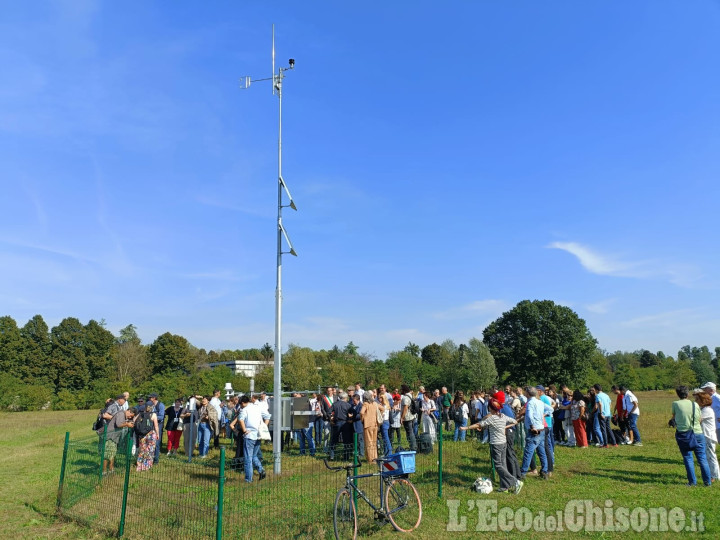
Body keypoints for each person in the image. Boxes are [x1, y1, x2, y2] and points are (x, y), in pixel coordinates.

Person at [462, 398, 523, 494]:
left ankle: (515, 482)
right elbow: (514, 421)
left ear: (490, 408)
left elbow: (479, 424)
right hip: (503, 443)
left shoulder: (492, 418)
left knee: (498, 466)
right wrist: (504, 427)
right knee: (503, 465)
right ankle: (504, 486)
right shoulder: (503, 416)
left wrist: (466, 428)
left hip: (496, 444)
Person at [671, 386, 711, 487]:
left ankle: (692, 482)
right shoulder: (695, 404)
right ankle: (707, 482)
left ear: (678, 394)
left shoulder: (675, 404)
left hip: (684, 434)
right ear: (688, 394)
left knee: (688, 458)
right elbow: (700, 419)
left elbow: (673, 417)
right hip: (697, 432)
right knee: (702, 458)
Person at [519, 387, 554, 480]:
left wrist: (532, 426)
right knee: (541, 451)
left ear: (527, 394)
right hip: (542, 429)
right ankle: (544, 471)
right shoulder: (540, 402)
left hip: (534, 430)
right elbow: (551, 409)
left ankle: (523, 473)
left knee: (528, 451)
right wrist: (543, 415)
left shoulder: (530, 403)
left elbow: (530, 416)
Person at [237, 395, 270, 482]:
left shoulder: (244, 410)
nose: (240, 406)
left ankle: (248, 479)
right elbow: (267, 416)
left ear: (243, 403)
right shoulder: (257, 407)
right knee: (254, 455)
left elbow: (240, 419)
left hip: (249, 436)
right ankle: (261, 470)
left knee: (248, 458)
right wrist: (263, 427)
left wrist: (244, 430)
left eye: (240, 404)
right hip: (259, 435)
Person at [98, 407, 135, 476]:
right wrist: (127, 424)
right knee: (107, 455)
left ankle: (111, 469)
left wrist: (127, 422)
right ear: (129, 411)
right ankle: (104, 472)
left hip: (114, 438)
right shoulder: (121, 414)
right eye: (130, 415)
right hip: (110, 437)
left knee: (112, 454)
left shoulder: (123, 415)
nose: (129, 417)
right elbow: (118, 424)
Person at [694, 389, 719, 482]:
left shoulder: (707, 410)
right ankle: (712, 475)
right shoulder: (703, 409)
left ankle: (715, 475)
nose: (696, 401)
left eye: (697, 400)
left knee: (711, 456)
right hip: (706, 435)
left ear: (703, 400)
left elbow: (698, 420)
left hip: (708, 436)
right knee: (708, 456)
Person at [135, 403, 160, 472]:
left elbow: (134, 421)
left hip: (142, 435)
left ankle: (139, 466)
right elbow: (156, 426)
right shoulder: (153, 415)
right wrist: (157, 434)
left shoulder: (140, 414)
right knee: (150, 450)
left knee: (142, 450)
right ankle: (146, 466)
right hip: (151, 434)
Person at [330, 391, 353, 460]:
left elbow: (329, 412)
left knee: (334, 440)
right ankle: (346, 456)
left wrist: (331, 418)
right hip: (345, 423)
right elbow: (352, 413)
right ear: (345, 398)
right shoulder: (348, 405)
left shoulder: (334, 404)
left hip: (337, 422)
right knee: (346, 440)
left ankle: (332, 455)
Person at [360, 390, 380, 463]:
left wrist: (362, 419)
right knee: (374, 442)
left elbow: (361, 412)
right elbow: (383, 409)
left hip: (367, 425)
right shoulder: (375, 403)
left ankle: (371, 460)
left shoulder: (365, 404)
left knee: (369, 443)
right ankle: (375, 457)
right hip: (375, 424)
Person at [147, 393, 165, 464]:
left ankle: (156, 459)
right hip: (149, 424)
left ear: (154, 398)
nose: (149, 399)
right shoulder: (149, 405)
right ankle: (149, 458)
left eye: (150, 397)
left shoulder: (161, 405)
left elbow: (161, 416)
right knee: (149, 441)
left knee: (157, 442)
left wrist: (153, 418)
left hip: (158, 424)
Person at [400, 384, 417, 451]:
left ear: (403, 390)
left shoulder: (405, 398)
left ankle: (413, 447)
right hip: (412, 416)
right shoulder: (410, 395)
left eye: (401, 389)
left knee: (410, 433)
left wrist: (402, 417)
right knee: (411, 432)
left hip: (407, 417)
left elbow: (405, 408)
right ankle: (413, 446)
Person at [377, 390, 393, 456]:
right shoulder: (384, 405)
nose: (379, 399)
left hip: (385, 422)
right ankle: (386, 452)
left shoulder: (385, 406)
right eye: (379, 398)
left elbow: (383, 415)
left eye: (380, 398)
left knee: (386, 438)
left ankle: (389, 452)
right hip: (384, 422)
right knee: (384, 438)